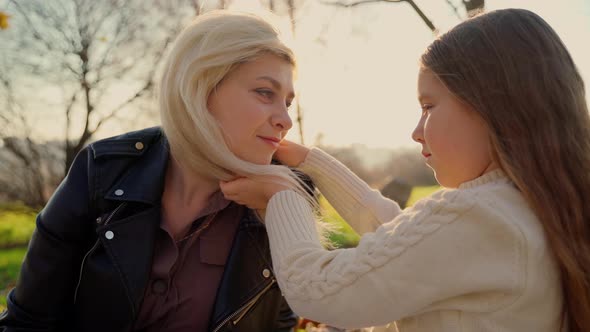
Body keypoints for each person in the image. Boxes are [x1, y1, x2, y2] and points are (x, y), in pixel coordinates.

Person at [219, 8, 590, 332]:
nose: (415, 131)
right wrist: (312, 163)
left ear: (491, 106)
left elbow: (318, 289)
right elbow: (402, 243)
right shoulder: (525, 210)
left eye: (428, 106)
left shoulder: (482, 215)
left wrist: (283, 194)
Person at [0, 10, 315, 332]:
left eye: (288, 103)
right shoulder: (102, 169)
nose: (285, 121)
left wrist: (286, 202)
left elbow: (280, 324)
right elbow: (27, 323)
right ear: (200, 88)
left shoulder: (284, 196)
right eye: (265, 93)